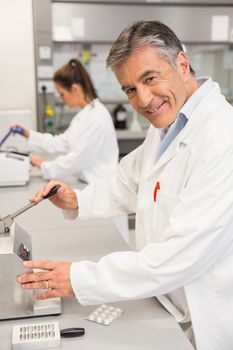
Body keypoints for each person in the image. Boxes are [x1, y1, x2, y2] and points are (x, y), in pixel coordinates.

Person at [17, 20, 233, 350]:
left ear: (182, 64)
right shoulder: (167, 123)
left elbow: (177, 258)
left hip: (202, 318)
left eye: (150, 78)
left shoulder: (222, 137)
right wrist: (79, 200)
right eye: (130, 89)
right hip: (163, 301)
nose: (144, 99)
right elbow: (128, 181)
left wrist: (77, 278)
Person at [13, 58, 119, 183]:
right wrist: (28, 134)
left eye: (62, 94)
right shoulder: (85, 115)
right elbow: (62, 142)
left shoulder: (97, 117)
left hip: (101, 185)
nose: (62, 99)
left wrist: (45, 165)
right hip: (89, 182)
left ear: (74, 89)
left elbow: (78, 159)